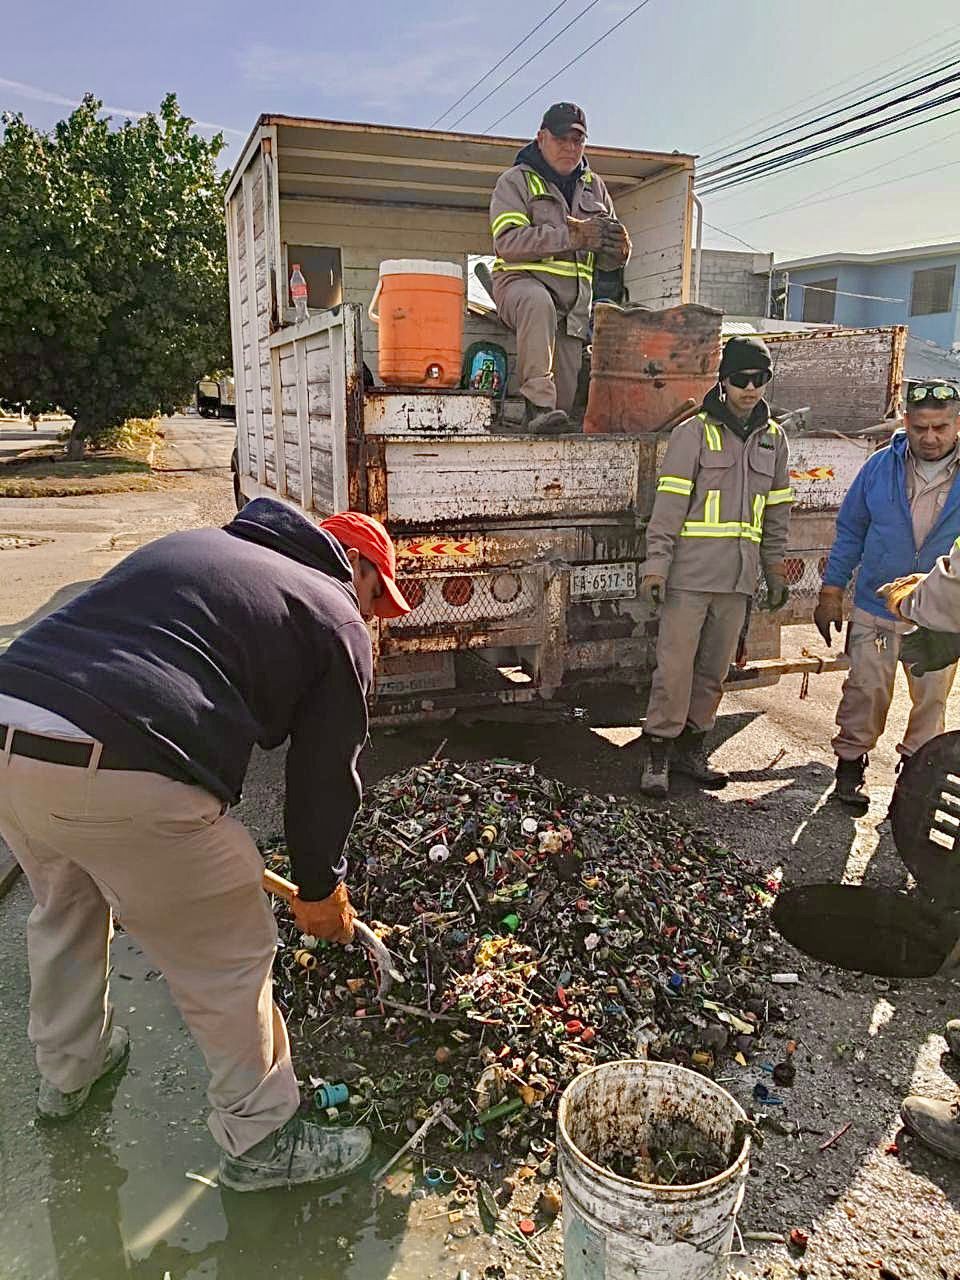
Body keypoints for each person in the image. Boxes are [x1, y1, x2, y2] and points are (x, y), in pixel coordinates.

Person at [0, 498, 411, 1191]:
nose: (371, 616)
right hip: (126, 761)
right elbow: (323, 776)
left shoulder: (197, 550)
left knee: (67, 906)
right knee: (230, 947)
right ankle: (261, 1138)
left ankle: (69, 1072)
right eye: (378, 599)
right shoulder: (335, 611)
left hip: (12, 732)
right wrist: (320, 887)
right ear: (359, 567)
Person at [638, 335, 793, 796]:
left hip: (737, 582)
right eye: (741, 379)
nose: (750, 388)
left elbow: (777, 512)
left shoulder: (774, 440)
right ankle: (658, 754)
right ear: (723, 382)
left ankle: (692, 748)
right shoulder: (693, 434)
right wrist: (656, 566)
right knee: (674, 670)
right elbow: (668, 508)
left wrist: (774, 569)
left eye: (759, 379)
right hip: (689, 578)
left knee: (713, 672)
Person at [814, 381, 960, 812]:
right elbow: (851, 530)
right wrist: (831, 590)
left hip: (938, 615)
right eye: (920, 428)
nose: (930, 438)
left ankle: (916, 784)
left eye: (940, 427)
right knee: (865, 690)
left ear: (958, 424)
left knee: (931, 702)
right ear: (906, 423)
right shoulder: (880, 467)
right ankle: (849, 768)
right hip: (876, 607)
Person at [488, 102, 631, 433]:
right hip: (520, 285)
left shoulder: (596, 187)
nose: (570, 147)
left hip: (572, 309)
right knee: (538, 302)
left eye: (577, 140)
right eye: (561, 139)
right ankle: (536, 405)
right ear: (541, 138)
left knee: (560, 415)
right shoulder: (515, 182)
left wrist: (618, 251)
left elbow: (603, 252)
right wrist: (573, 236)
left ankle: (544, 424)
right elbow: (508, 242)